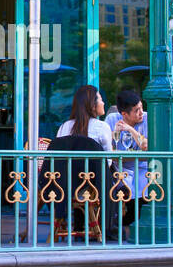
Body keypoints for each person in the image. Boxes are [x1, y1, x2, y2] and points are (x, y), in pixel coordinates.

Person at [105, 89, 148, 228]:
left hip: (142, 167)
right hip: (119, 167)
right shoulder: (112, 119)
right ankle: (114, 224)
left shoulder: (147, 118)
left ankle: (132, 222)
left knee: (143, 181)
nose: (141, 112)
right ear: (124, 114)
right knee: (116, 182)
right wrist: (114, 133)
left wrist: (130, 129)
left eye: (141, 107)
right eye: (136, 110)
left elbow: (146, 146)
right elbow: (106, 146)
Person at [57, 85, 113, 153]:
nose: (103, 103)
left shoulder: (64, 126)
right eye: (101, 99)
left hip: (67, 164)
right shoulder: (102, 127)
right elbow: (108, 159)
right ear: (93, 105)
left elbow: (58, 154)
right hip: (94, 164)